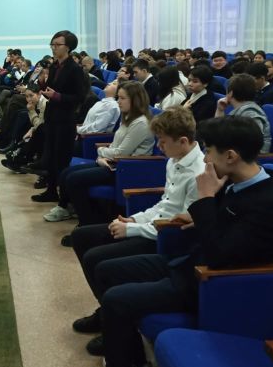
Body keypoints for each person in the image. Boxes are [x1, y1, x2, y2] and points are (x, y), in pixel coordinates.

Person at [78, 116, 273, 367]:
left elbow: (219, 255)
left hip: (211, 283)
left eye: (209, 151)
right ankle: (135, 362)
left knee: (116, 299)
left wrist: (204, 201)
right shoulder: (235, 179)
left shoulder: (269, 203)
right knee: (105, 270)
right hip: (188, 262)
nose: (205, 159)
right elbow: (220, 222)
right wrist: (198, 214)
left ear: (230, 156)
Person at [69, 107, 206, 340]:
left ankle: (111, 318)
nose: (159, 146)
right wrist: (135, 218)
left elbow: (180, 223)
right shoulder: (174, 159)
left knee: (96, 259)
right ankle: (108, 313)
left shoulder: (199, 174)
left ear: (183, 141)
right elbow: (164, 204)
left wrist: (131, 229)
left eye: (163, 141)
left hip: (167, 238)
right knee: (81, 237)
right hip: (152, 226)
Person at [44, 82, 153, 224]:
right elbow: (115, 147)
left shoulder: (140, 123)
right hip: (113, 163)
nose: (118, 101)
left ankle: (87, 222)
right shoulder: (128, 118)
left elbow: (120, 152)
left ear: (135, 100)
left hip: (126, 170)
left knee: (73, 180)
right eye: (118, 97)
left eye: (122, 98)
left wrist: (101, 151)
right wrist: (102, 157)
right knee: (66, 173)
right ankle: (67, 208)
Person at [31, 30, 87, 203]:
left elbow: (80, 97)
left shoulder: (75, 69)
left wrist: (58, 96)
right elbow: (51, 89)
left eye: (57, 45)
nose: (53, 48)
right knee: (50, 156)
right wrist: (42, 83)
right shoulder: (55, 66)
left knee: (61, 160)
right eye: (52, 44)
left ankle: (64, 199)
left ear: (68, 47)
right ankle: (51, 191)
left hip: (65, 119)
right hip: (52, 116)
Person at [215, 74, 272, 153]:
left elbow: (251, 146)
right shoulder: (242, 110)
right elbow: (219, 131)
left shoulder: (251, 114)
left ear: (230, 93)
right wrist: (220, 110)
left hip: (252, 157)